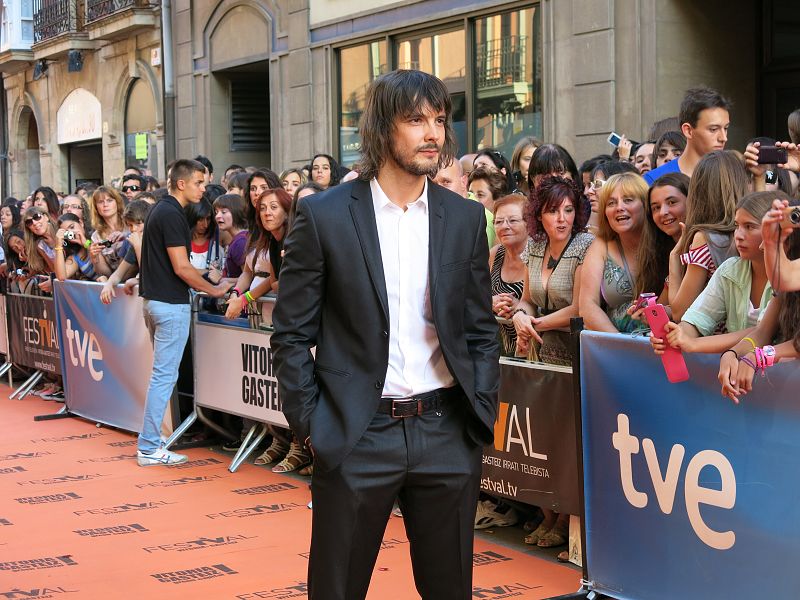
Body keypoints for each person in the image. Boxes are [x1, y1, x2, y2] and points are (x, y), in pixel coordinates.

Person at [271, 69, 499, 600]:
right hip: (357, 435)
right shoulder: (324, 216)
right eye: (416, 119)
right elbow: (290, 334)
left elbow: (479, 328)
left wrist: (481, 407)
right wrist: (314, 427)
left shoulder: (464, 219)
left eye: (439, 120)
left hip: (447, 431)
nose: (433, 133)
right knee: (337, 589)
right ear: (381, 128)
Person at [135, 159, 230, 466]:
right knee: (163, 377)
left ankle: (151, 442)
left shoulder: (161, 211)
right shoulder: (172, 214)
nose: (204, 189)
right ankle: (149, 446)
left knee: (161, 376)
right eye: (199, 183)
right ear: (181, 183)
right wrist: (214, 290)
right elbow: (182, 267)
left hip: (156, 302)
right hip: (170, 305)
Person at [651, 191, 781, 357]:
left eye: (749, 227)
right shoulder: (730, 270)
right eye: (736, 226)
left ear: (776, 230)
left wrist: (693, 343)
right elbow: (697, 319)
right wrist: (677, 334)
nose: (738, 236)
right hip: (734, 373)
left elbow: (763, 331)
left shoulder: (789, 276)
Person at [668, 150, 747, 320]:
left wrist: (674, 258)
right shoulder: (748, 232)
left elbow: (679, 311)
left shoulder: (704, 238)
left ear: (698, 191)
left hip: (711, 338)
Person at [580, 172, 648, 333]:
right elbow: (587, 306)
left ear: (646, 205)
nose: (619, 207)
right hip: (614, 345)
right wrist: (620, 344)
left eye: (628, 200)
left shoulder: (663, 243)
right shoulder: (601, 245)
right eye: (611, 203)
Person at [644, 87, 731, 185]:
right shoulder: (654, 180)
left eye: (726, 128)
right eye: (713, 129)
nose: (724, 138)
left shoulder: (732, 176)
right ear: (688, 130)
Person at [635, 172, 689, 301]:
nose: (663, 212)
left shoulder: (703, 246)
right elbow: (663, 310)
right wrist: (647, 313)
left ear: (691, 201)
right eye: (656, 207)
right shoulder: (655, 253)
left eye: (671, 202)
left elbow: (677, 312)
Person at [488, 194, 529, 355]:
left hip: (531, 349)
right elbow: (473, 293)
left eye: (512, 220)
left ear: (528, 223)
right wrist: (490, 301)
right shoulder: (494, 254)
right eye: (498, 222)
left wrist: (520, 307)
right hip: (497, 348)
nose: (504, 226)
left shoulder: (539, 254)